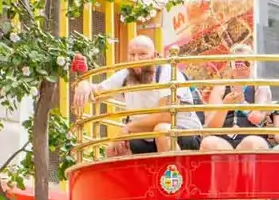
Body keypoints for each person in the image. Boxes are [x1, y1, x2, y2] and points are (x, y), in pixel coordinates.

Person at [71, 35, 201, 157]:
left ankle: (175, 172)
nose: (136, 60)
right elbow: (96, 92)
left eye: (142, 54)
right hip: (146, 137)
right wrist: (83, 84)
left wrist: (128, 128)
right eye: (132, 55)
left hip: (183, 134)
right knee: (113, 150)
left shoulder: (167, 72)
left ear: (154, 56)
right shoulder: (125, 75)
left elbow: (166, 116)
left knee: (161, 130)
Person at [202, 44, 273, 152]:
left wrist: (242, 104)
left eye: (245, 63)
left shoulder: (260, 86)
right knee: (209, 143)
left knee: (252, 143)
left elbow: (257, 118)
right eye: (237, 63)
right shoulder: (220, 88)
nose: (241, 67)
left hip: (252, 136)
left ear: (252, 63)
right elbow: (211, 127)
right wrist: (225, 106)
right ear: (230, 64)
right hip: (224, 139)